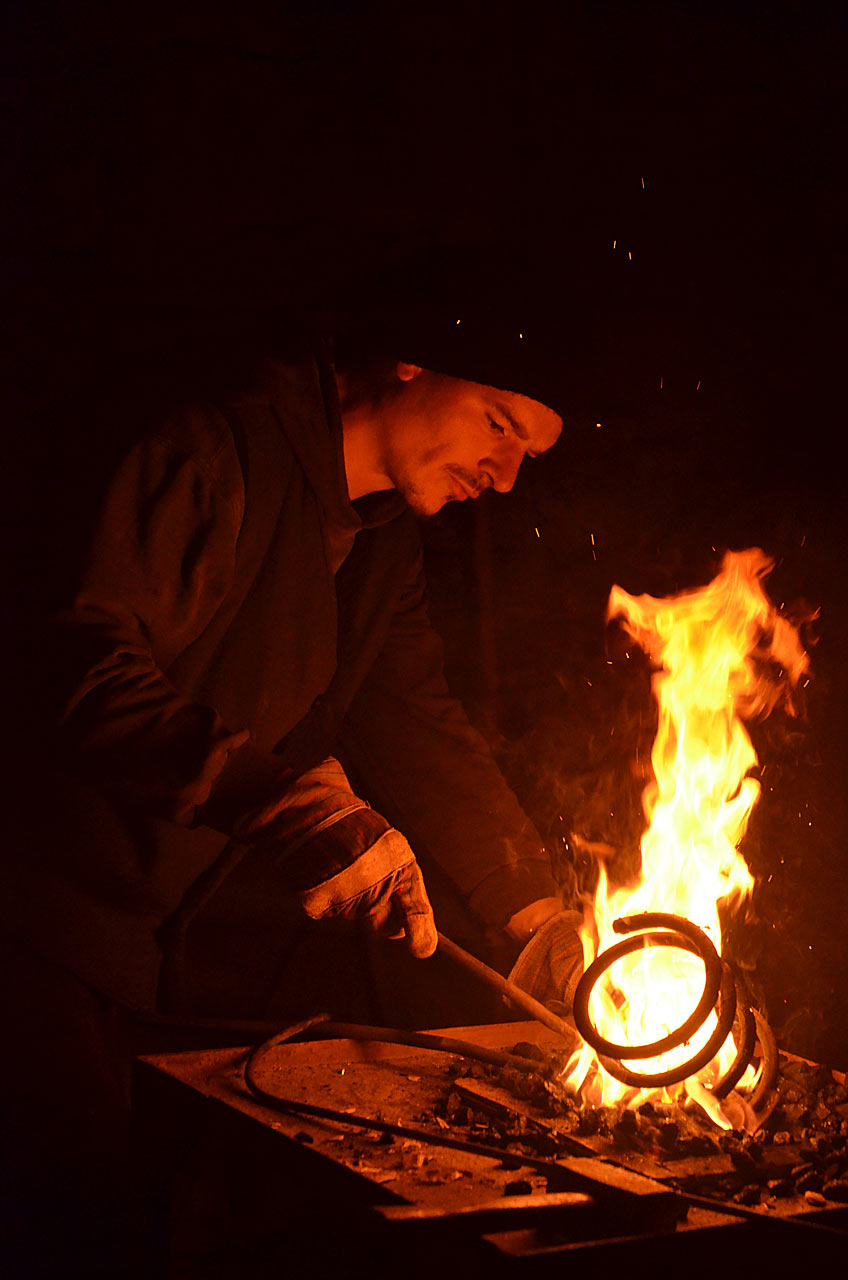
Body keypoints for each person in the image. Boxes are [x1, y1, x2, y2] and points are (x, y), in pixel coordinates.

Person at [2, 303, 583, 1275]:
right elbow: (71, 661)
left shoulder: (380, 531)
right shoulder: (210, 440)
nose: (507, 471)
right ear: (407, 360)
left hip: (145, 943)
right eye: (498, 421)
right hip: (31, 916)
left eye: (529, 449)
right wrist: (269, 792)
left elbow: (410, 712)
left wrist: (534, 911)